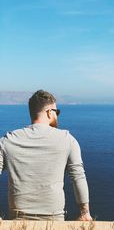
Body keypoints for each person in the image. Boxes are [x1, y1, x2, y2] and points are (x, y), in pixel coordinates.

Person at [0, 90, 92, 221]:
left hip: (18, 221)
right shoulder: (68, 140)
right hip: (54, 221)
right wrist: (85, 213)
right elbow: (78, 177)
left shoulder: (8, 140)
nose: (57, 116)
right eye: (57, 112)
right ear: (49, 112)